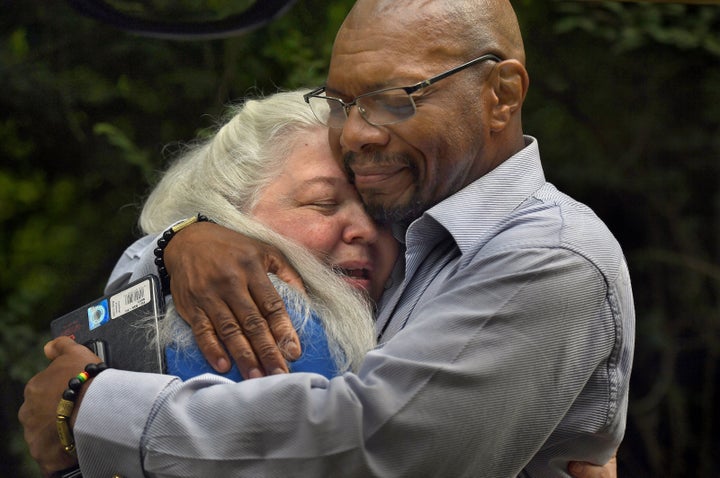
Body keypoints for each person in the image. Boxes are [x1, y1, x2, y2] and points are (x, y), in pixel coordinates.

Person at [19, 1, 633, 477]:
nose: (357, 133)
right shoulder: (409, 207)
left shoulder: (550, 256)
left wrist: (89, 404)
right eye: (341, 103)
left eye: (393, 100)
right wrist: (183, 240)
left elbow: (375, 449)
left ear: (500, 95)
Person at [130, 90, 396, 381]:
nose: (368, 231)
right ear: (230, 211)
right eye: (325, 202)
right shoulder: (285, 331)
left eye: (380, 210)